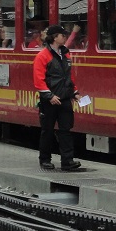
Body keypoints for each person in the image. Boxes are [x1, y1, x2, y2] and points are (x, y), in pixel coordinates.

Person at [33, 24, 81, 172]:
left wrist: (74, 92)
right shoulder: (42, 56)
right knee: (47, 130)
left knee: (65, 130)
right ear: (55, 37)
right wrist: (49, 96)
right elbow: (38, 80)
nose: (64, 37)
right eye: (62, 35)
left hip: (64, 99)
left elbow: (69, 77)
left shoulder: (66, 54)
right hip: (50, 101)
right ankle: (45, 160)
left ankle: (67, 161)